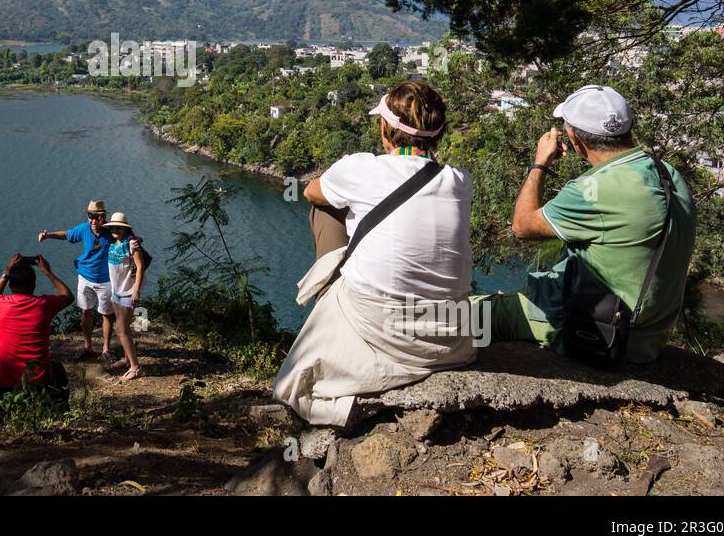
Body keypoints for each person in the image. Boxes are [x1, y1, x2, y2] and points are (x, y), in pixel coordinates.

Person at [273, 80, 478, 428]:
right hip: (451, 335)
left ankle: (333, 312)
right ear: (439, 134)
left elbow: (310, 191)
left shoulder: (360, 168)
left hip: (380, 322)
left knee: (290, 384)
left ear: (384, 129)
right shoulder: (460, 180)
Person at [481, 84, 696, 363]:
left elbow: (522, 226)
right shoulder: (668, 173)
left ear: (572, 137)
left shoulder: (594, 190)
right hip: (650, 335)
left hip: (603, 336)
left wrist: (540, 163)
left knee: (474, 313)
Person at [0, 253, 73, 418]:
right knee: (56, 367)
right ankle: (59, 410)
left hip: (3, 382)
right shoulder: (43, 305)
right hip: (38, 382)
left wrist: (6, 272)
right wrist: (48, 272)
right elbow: (67, 296)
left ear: (9, 285)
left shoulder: (0, 305)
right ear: (34, 285)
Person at [37, 200, 116, 362]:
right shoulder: (84, 229)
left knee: (106, 315)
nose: (93, 220)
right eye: (90, 216)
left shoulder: (112, 232)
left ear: (104, 217)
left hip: (105, 280)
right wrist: (48, 235)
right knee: (86, 312)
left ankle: (106, 349)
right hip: (85, 277)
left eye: (97, 217)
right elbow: (67, 234)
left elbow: (128, 238)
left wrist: (136, 242)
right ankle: (87, 347)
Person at [103, 211, 148, 382]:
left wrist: (136, 290)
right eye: (113, 226)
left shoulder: (132, 244)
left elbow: (140, 266)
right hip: (117, 292)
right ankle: (128, 359)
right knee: (124, 328)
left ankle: (135, 367)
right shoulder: (115, 243)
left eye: (119, 227)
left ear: (125, 229)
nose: (115, 229)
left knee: (120, 329)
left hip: (129, 292)